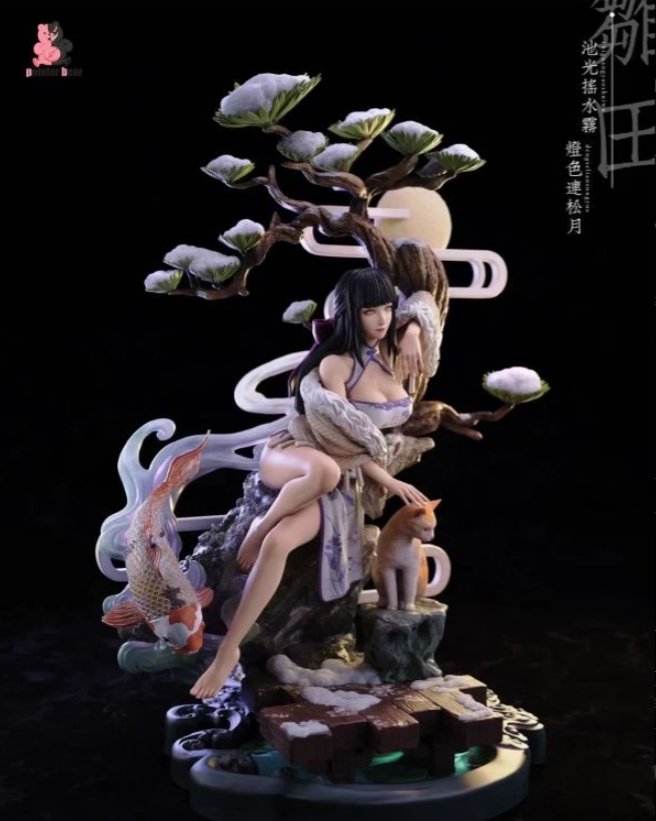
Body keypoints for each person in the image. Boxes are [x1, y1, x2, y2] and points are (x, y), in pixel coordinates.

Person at [190, 266, 441, 699]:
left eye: (386, 308)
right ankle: (259, 527)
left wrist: (416, 329)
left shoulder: (391, 353)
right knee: (323, 473)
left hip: (337, 475)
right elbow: (345, 439)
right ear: (349, 314)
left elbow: (424, 299)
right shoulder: (334, 363)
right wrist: (385, 475)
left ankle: (229, 649)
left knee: (281, 543)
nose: (382, 319)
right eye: (369, 311)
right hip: (296, 454)